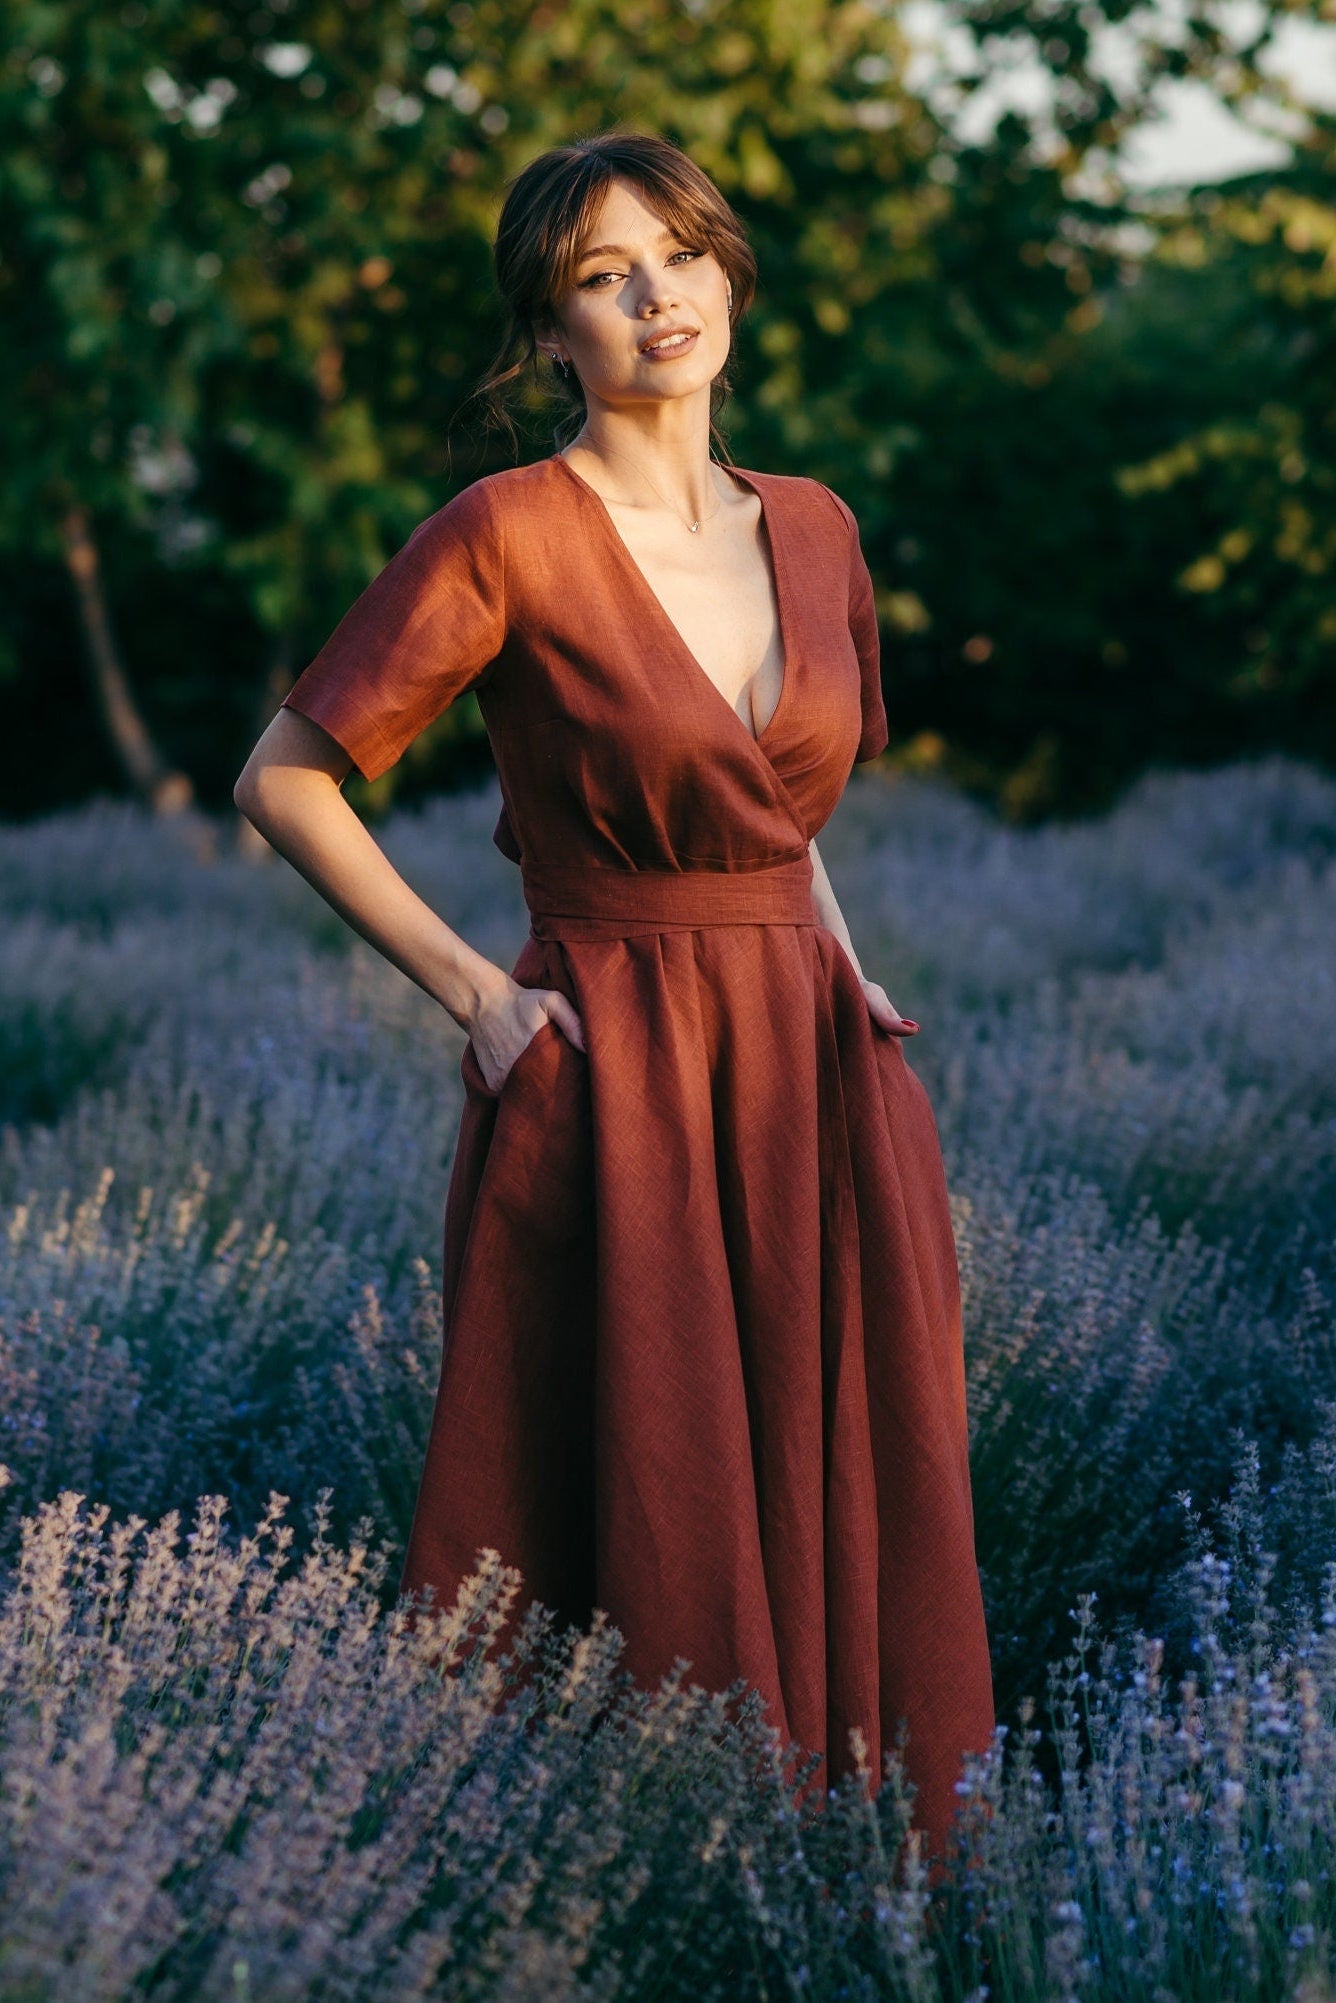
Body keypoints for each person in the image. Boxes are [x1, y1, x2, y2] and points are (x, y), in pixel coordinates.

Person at [234, 130, 994, 1864]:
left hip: (814, 1071)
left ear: (729, 274)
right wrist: (474, 1003)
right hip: (619, 1067)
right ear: (549, 331)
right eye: (604, 273)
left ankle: (856, 1883)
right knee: (634, 1497)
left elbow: (774, 814)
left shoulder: (816, 529)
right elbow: (284, 780)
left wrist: (849, 968)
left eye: (682, 254)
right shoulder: (505, 534)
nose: (659, 297)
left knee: (855, 1482)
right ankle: (643, 1889)